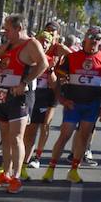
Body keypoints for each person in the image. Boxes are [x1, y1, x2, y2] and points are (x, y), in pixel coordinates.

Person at [42, 26, 101, 183]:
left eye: (98, 39)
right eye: (92, 37)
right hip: (73, 104)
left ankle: (74, 170)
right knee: (65, 135)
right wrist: (61, 98)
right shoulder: (72, 57)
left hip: (92, 105)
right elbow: (59, 79)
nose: (94, 41)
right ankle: (50, 170)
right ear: (85, 38)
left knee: (84, 136)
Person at [0, 14, 48, 193]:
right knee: (5, 136)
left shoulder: (31, 44)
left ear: (18, 27)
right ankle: (5, 172)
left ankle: (16, 177)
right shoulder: (9, 44)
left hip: (20, 96)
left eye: (7, 28)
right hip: (3, 93)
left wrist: (25, 83)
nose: (5, 32)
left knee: (16, 137)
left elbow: (43, 64)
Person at [24, 22, 66, 171]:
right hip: (37, 91)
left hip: (52, 91)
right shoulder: (37, 46)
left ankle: (38, 156)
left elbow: (73, 56)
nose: (50, 33)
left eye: (53, 31)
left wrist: (58, 71)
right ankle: (26, 154)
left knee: (45, 124)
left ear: (57, 34)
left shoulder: (57, 48)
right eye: (48, 30)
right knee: (31, 125)